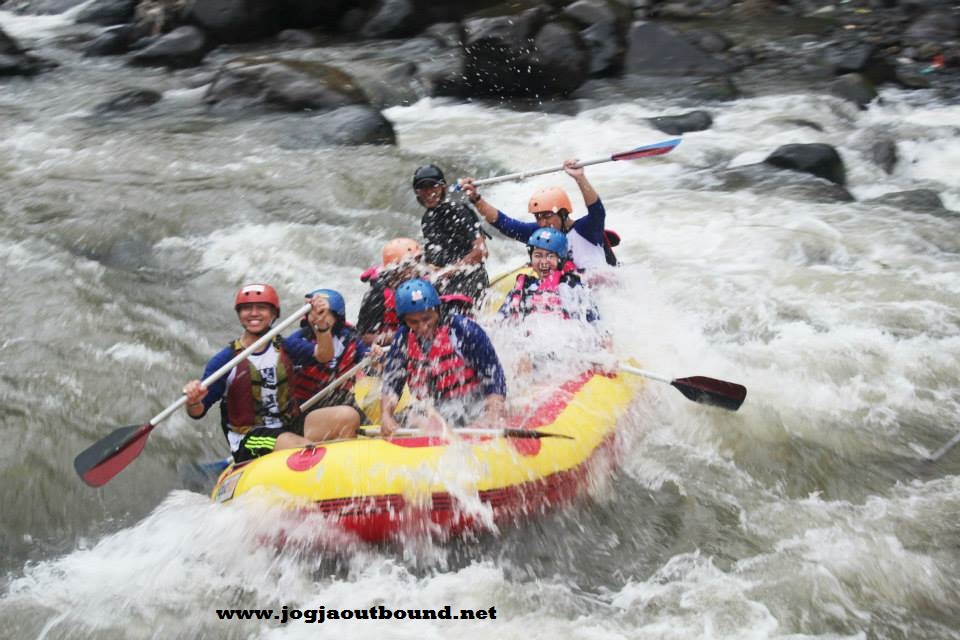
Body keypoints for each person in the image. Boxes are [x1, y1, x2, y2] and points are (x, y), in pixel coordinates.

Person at [182, 284, 352, 464]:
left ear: (273, 314)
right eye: (247, 308)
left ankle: (347, 477)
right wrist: (193, 400)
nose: (254, 313)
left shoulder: (284, 347)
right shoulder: (225, 361)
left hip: (288, 425)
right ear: (239, 314)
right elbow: (197, 412)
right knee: (301, 448)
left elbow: (324, 355)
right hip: (250, 438)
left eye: (261, 308)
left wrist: (322, 326)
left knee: (347, 417)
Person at [380, 279, 506, 436]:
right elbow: (392, 382)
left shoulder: (463, 330)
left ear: (438, 311)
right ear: (404, 321)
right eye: (414, 322)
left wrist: (492, 415)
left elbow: (494, 376)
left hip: (471, 403)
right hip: (435, 407)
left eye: (427, 318)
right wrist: (386, 415)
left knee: (432, 418)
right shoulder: (403, 338)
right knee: (408, 418)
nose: (422, 327)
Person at [460, 159, 618, 269]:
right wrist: (476, 199)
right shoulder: (539, 234)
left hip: (603, 292)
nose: (542, 223)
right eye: (538, 217)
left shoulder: (586, 229)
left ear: (563, 213)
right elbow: (503, 223)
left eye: (547, 216)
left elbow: (597, 210)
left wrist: (579, 178)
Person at [288, 287, 370, 433]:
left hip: (339, 398)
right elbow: (323, 354)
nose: (317, 319)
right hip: (306, 406)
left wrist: (374, 355)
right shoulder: (297, 341)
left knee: (362, 413)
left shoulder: (350, 337)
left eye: (324, 314)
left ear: (337, 318)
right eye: (313, 314)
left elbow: (365, 356)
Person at [412, 164, 490, 299]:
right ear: (417, 192)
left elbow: (481, 252)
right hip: (444, 282)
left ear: (444, 187)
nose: (428, 191)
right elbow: (436, 260)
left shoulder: (458, 210)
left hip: (470, 279)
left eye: (433, 186)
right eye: (422, 188)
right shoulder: (427, 219)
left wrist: (446, 272)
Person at [499, 228, 600, 324]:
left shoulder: (573, 288)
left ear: (560, 259)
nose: (543, 262)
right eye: (538, 255)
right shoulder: (523, 287)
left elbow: (597, 326)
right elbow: (499, 321)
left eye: (550, 256)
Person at [355, 237, 429, 347]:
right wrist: (401, 336)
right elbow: (363, 337)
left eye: (418, 261)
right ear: (396, 269)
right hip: (389, 347)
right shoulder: (377, 295)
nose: (417, 268)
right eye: (412, 264)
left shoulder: (425, 283)